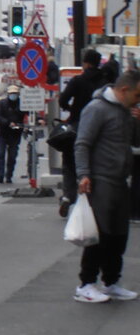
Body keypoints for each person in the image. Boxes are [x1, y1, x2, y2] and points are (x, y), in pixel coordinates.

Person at [71, 70, 140, 303]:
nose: (138, 99)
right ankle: (86, 283)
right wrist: (84, 175)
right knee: (99, 234)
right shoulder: (96, 109)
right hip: (100, 180)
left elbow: (131, 142)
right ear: (124, 90)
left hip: (120, 180)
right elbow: (82, 143)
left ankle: (111, 282)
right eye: (137, 94)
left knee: (119, 235)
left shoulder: (125, 112)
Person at [57, 48, 105, 216]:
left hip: (78, 125)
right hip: (100, 129)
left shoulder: (78, 81)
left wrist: (70, 110)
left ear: (85, 63)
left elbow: (62, 99)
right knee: (95, 163)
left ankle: (68, 197)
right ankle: (93, 199)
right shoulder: (105, 82)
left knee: (69, 162)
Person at [0, 84, 26, 184]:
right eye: (11, 93)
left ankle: (9, 176)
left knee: (12, 156)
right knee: (0, 154)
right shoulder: (2, 103)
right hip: (2, 133)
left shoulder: (22, 104)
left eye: (15, 94)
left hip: (15, 134)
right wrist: (8, 123)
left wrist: (38, 119)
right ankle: (0, 175)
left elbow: (30, 113)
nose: (13, 95)